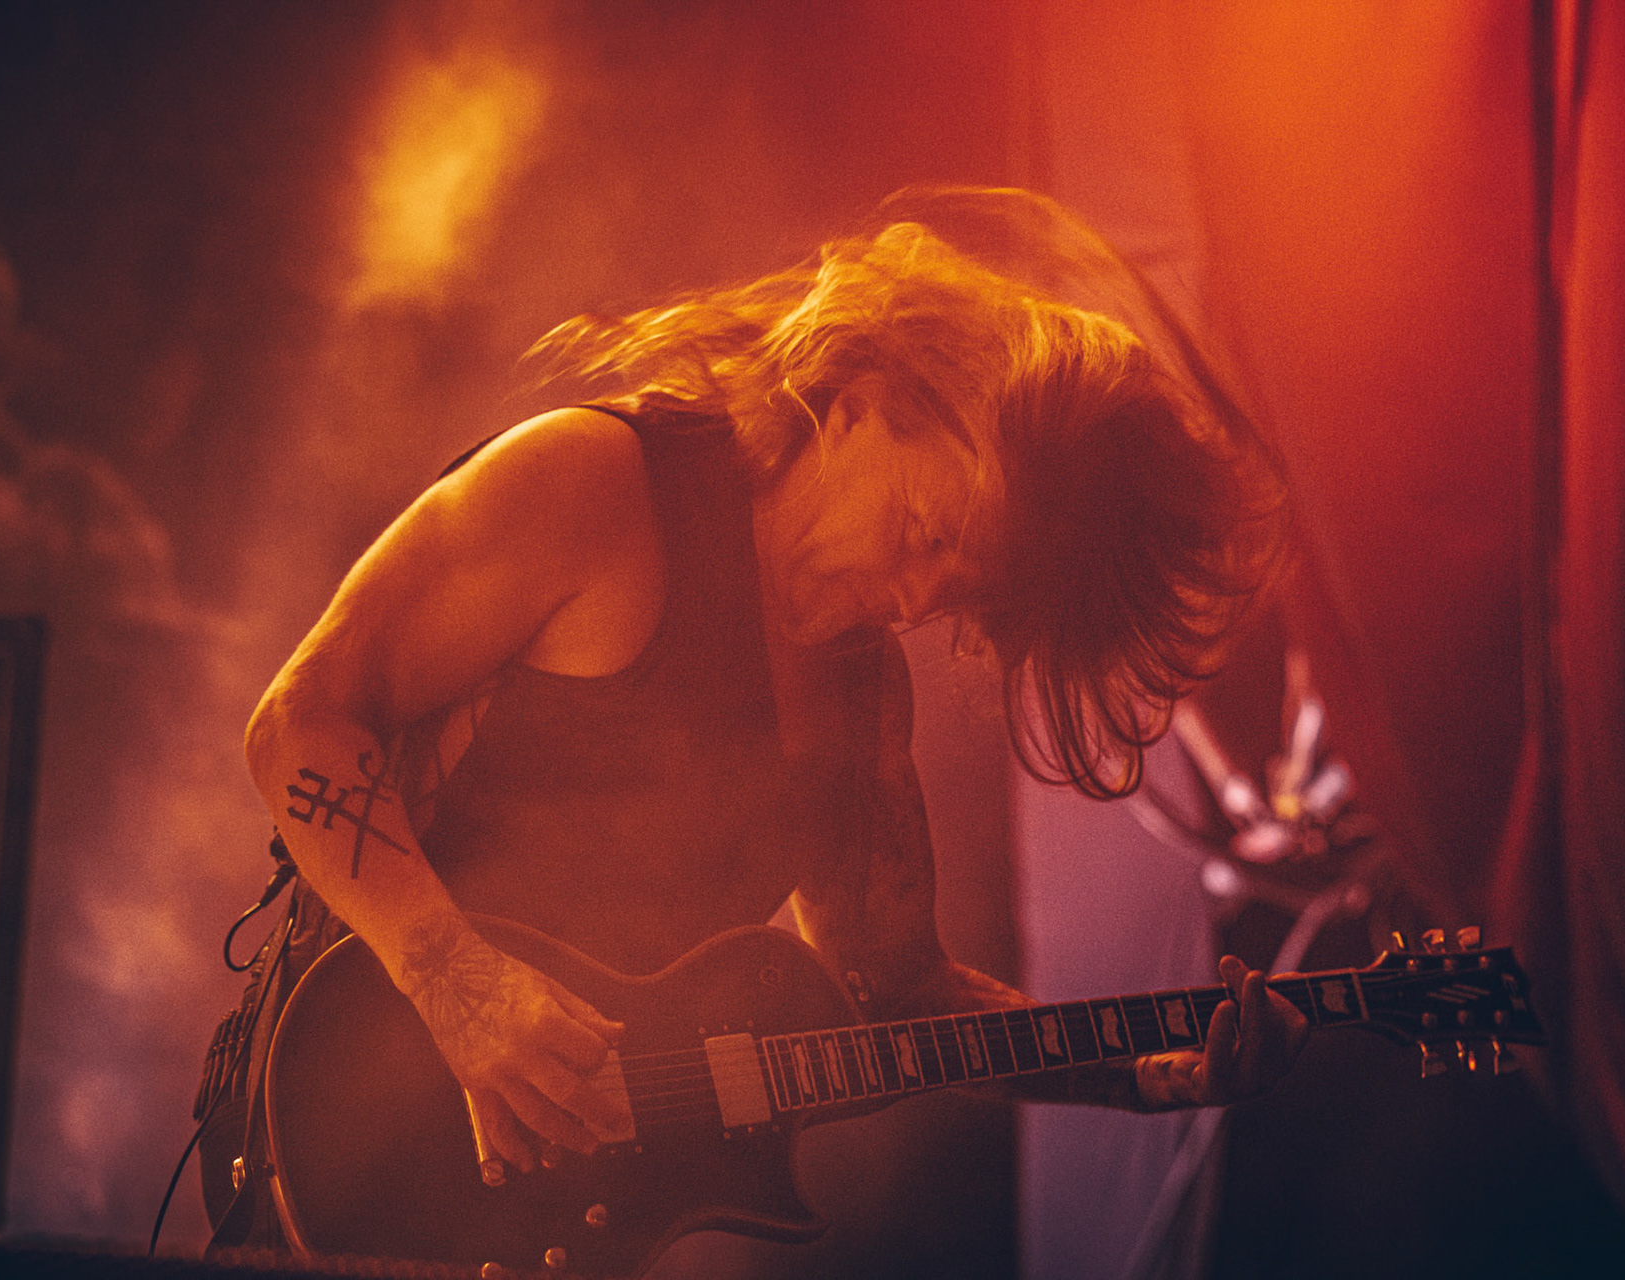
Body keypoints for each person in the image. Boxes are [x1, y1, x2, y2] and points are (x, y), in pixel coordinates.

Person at [238, 187, 1307, 1190]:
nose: (919, 597)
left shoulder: (863, 696)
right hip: (346, 1136)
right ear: (860, 404)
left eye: (961, 587)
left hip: (560, 1211)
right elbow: (301, 723)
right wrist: (456, 987)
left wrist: (1140, 1068)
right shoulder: (597, 486)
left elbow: (891, 992)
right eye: (929, 534)